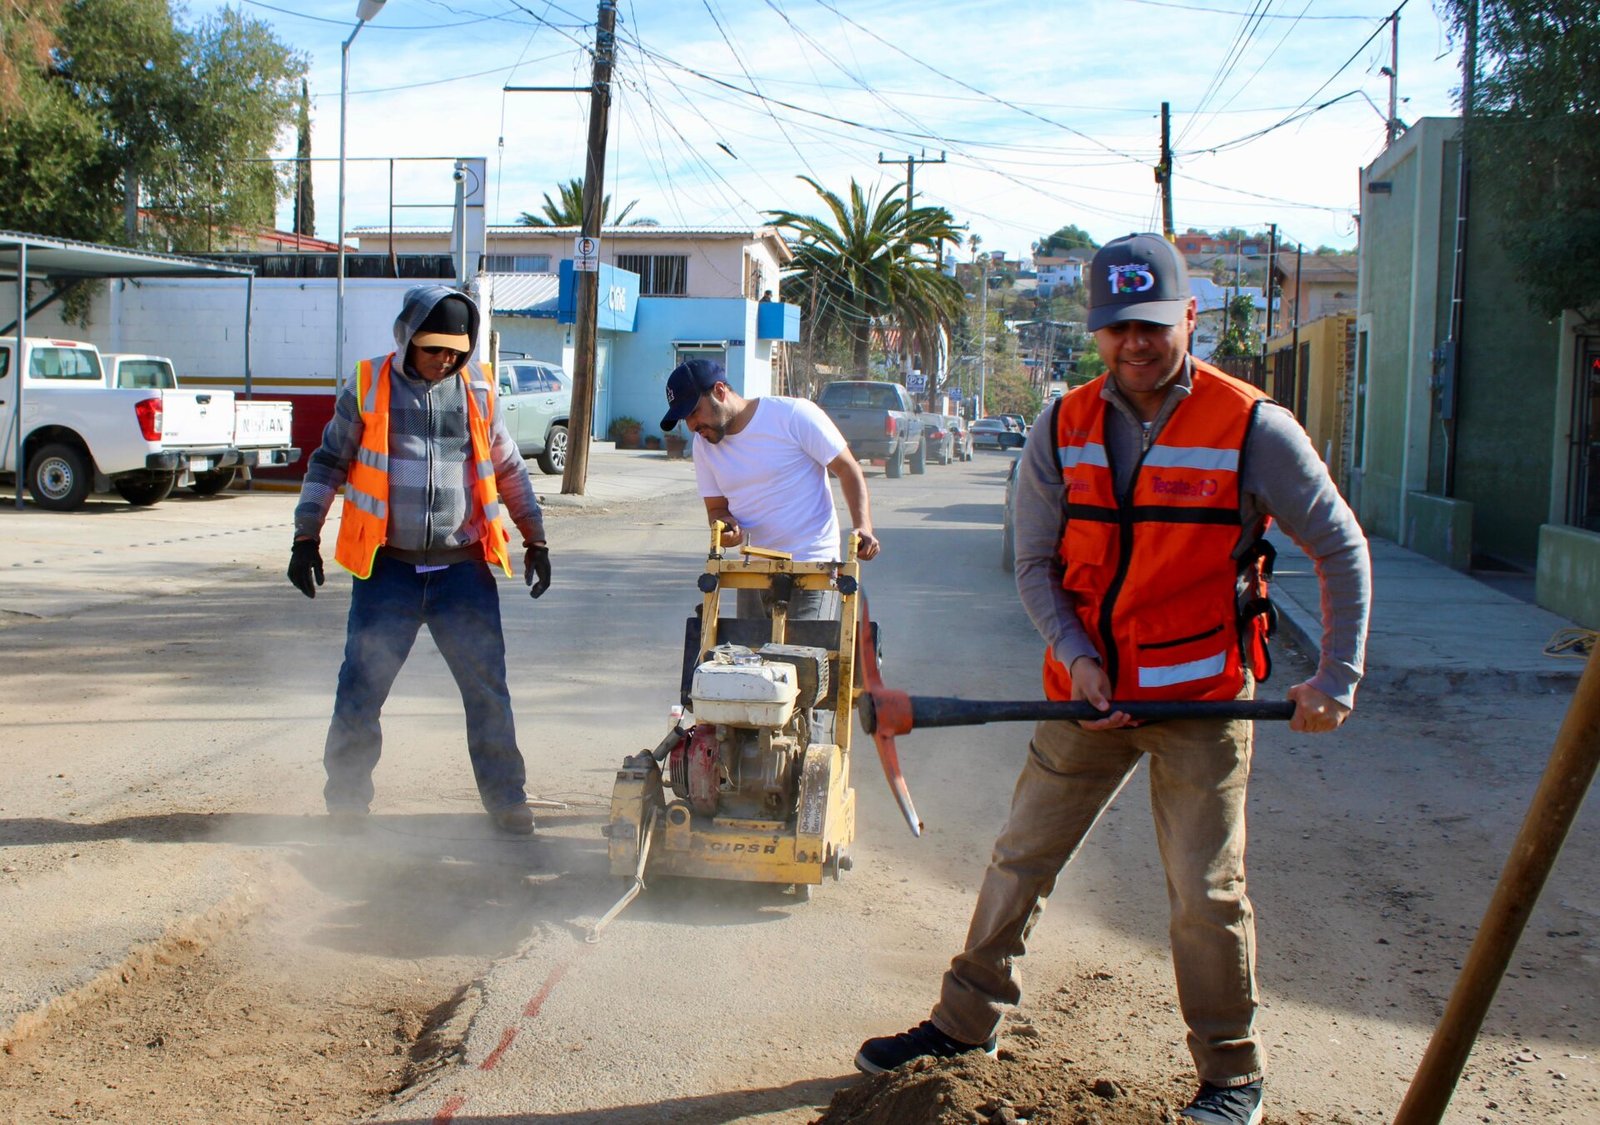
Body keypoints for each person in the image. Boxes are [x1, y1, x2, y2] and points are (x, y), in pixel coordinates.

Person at [855, 233, 1371, 1125]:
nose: (1135, 342)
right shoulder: (1062, 425)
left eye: (1153, 324)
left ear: (1189, 319)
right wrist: (1080, 656)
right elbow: (1032, 564)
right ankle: (962, 1022)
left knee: (1204, 896)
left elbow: (1340, 546)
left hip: (1202, 701)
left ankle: (1231, 1075)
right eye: (1117, 326)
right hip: (1082, 694)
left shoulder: (1251, 426)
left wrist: (1338, 672)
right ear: (1097, 330)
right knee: (1019, 859)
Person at [287, 285, 552, 836]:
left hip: (462, 571)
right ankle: (346, 806)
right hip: (390, 572)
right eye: (434, 350)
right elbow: (328, 462)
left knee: (488, 692)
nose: (445, 361)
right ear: (407, 338)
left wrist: (537, 538)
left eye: (456, 352)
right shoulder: (368, 386)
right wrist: (304, 536)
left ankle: (506, 802)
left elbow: (510, 470)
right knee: (360, 690)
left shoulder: (478, 391)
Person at [659, 358, 879, 621]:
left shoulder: (791, 415)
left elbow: (847, 469)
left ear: (720, 391)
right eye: (685, 418)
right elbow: (717, 509)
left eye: (694, 412)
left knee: (805, 659)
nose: (692, 426)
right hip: (752, 571)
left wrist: (863, 526)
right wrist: (725, 525)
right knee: (748, 659)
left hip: (812, 567)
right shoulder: (703, 445)